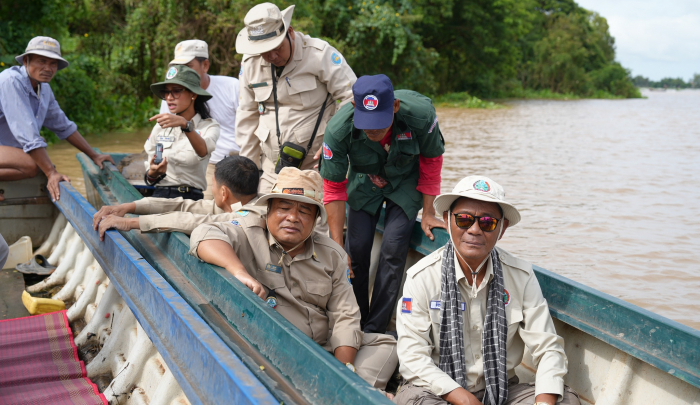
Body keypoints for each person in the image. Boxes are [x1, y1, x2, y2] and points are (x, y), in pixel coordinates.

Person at [189, 167, 398, 390]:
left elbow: (345, 315)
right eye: (284, 208)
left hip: (322, 347)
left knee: (387, 344)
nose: (292, 218)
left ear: (316, 219)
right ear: (268, 209)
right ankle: (353, 391)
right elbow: (204, 235)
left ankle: (342, 389)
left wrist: (342, 372)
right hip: (274, 348)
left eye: (304, 211)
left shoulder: (332, 254)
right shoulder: (249, 232)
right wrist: (238, 271)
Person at [393, 176, 580, 405]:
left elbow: (548, 348)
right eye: (463, 219)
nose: (474, 230)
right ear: (447, 220)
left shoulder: (520, 276)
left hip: (500, 390)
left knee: (565, 399)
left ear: (502, 228)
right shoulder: (422, 277)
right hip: (437, 391)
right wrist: (466, 400)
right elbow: (412, 358)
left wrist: (543, 403)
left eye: (487, 222)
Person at [320, 74, 446, 334]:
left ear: (395, 106)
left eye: (379, 123)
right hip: (364, 182)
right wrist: (337, 246)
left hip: (404, 182)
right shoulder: (337, 130)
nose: (373, 131)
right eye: (367, 124)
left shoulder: (420, 117)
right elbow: (333, 188)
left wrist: (429, 211)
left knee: (393, 250)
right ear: (354, 107)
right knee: (355, 251)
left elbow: (431, 161)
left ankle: (374, 329)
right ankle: (355, 320)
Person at [235, 2, 356, 193]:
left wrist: (334, 144)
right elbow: (247, 114)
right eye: (264, 52)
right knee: (262, 211)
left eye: (277, 47)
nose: (272, 56)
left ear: (289, 32)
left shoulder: (319, 54)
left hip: (316, 166)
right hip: (272, 170)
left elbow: (350, 98)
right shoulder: (250, 63)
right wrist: (248, 170)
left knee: (316, 212)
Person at [0, 36, 113, 202]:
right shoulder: (11, 81)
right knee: (33, 163)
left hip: (6, 150)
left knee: (35, 164)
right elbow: (28, 135)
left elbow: (63, 126)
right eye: (42, 61)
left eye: (53, 63)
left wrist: (94, 155)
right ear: (26, 61)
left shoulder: (44, 89)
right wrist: (51, 173)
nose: (48, 68)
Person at [92, 155, 263, 240]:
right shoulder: (240, 203)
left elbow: (190, 221)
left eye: (213, 185)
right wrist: (128, 207)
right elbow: (183, 206)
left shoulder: (247, 215)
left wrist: (129, 223)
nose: (212, 189)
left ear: (224, 193)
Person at [157, 40, 241, 199]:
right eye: (178, 67)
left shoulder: (232, 87)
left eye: (188, 66)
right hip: (195, 165)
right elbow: (163, 137)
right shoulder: (171, 97)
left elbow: (251, 128)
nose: (182, 72)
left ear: (205, 65)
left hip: (231, 162)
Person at [144, 65, 220, 200]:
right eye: (166, 92)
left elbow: (203, 151)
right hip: (161, 196)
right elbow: (149, 179)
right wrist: (153, 173)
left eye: (176, 91)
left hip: (192, 199)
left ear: (193, 94)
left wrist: (185, 125)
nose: (169, 97)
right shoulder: (160, 127)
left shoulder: (209, 126)